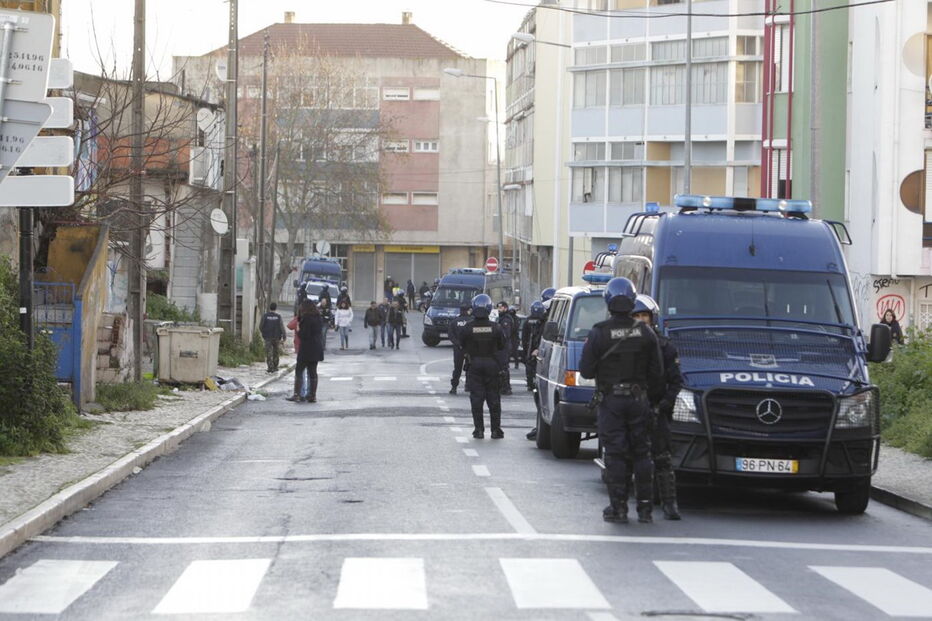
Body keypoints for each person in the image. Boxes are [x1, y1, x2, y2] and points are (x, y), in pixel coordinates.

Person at [579, 277, 664, 525]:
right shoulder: (646, 332)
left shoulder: (599, 333)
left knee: (616, 454)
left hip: (612, 401)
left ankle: (618, 508)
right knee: (642, 452)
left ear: (607, 300)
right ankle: (646, 509)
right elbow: (657, 372)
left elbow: (585, 371)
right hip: (639, 400)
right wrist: (654, 401)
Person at [632, 294, 682, 521]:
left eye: (645, 316)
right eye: (637, 316)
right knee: (627, 457)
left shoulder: (665, 346)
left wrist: (664, 404)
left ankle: (670, 503)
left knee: (662, 457)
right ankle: (631, 503)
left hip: (656, 408)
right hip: (631, 409)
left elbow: (675, 381)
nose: (642, 320)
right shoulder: (624, 345)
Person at [460, 294, 507, 439]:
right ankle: (495, 430)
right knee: (494, 399)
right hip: (492, 365)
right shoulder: (496, 328)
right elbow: (502, 345)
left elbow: (462, 345)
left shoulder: (467, 328)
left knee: (476, 399)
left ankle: (479, 430)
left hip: (474, 365)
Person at [287, 301, 324, 403]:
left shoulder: (306, 318)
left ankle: (297, 394)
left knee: (299, 371)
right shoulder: (318, 317)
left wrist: (299, 329)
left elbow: (304, 335)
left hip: (306, 348)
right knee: (313, 372)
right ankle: (312, 395)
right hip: (316, 348)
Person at [521, 301, 546, 391]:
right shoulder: (544, 321)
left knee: (529, 365)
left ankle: (530, 383)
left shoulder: (527, 321)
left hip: (530, 347)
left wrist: (526, 349)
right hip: (540, 347)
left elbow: (524, 337)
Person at [449, 304, 472, 395]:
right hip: (470, 348)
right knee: (470, 367)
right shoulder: (472, 321)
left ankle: (454, 387)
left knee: (457, 369)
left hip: (458, 349)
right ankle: (468, 385)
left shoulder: (454, 322)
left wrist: (458, 343)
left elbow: (451, 335)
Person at [259, 302, 286, 373]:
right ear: (276, 308)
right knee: (276, 352)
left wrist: (264, 333)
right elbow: (282, 327)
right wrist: (284, 337)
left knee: (269, 353)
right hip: (277, 337)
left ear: (269, 308)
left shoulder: (265, 316)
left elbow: (260, 326)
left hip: (267, 337)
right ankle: (275, 367)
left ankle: (270, 367)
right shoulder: (278, 317)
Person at [496, 301, 516, 395]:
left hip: (505, 346)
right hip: (502, 346)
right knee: (501, 367)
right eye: (498, 308)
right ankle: (502, 386)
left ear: (505, 308)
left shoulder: (506, 320)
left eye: (500, 308)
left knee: (504, 367)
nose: (499, 310)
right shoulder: (501, 318)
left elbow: (505, 334)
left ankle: (506, 387)